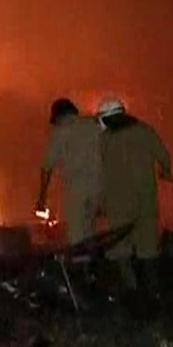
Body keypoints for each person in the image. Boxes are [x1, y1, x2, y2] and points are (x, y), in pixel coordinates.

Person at [96, 98, 172, 299]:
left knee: (120, 250)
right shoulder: (145, 131)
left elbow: (100, 174)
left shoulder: (104, 140)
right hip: (146, 200)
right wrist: (166, 171)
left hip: (118, 203)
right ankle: (152, 292)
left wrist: (100, 203)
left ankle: (132, 290)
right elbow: (164, 155)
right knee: (148, 248)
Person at [36, 97, 102, 248]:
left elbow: (47, 168)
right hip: (99, 188)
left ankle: (83, 269)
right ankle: (94, 267)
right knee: (93, 234)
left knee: (78, 239)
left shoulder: (60, 132)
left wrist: (41, 198)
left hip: (76, 192)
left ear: (59, 116)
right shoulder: (93, 125)